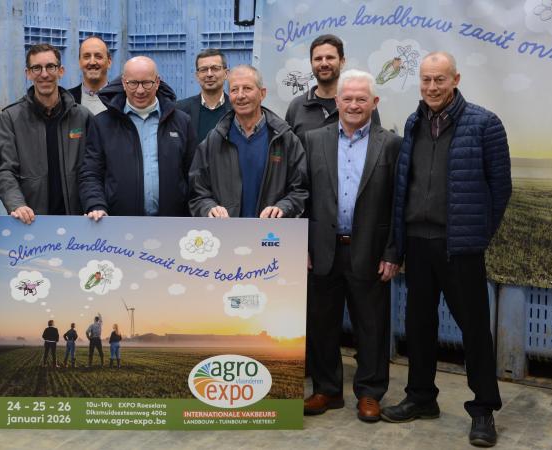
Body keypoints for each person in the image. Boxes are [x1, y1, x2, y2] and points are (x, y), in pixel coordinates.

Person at [381, 52, 511, 448]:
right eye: (426, 80)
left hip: (460, 248)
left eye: (440, 79)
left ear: (455, 79)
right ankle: (421, 398)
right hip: (418, 243)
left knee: (473, 329)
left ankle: (484, 409)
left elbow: (500, 188)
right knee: (419, 326)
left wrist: (477, 235)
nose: (432, 87)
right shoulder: (414, 121)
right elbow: (406, 184)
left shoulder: (484, 123)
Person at [302, 70, 401, 421]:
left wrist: (393, 252)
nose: (354, 105)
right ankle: (327, 391)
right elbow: (303, 196)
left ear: (374, 103)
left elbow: (396, 203)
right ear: (337, 102)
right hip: (321, 250)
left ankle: (370, 393)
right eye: (348, 98)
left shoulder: (390, 144)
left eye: (362, 99)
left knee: (371, 326)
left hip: (370, 251)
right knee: (321, 324)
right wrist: (303, 245)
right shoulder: (313, 140)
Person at [79, 56, 196, 220]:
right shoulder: (102, 124)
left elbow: (194, 175)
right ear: (124, 83)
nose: (140, 90)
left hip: (172, 225)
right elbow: (91, 173)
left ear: (157, 82)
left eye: (146, 83)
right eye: (133, 83)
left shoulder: (182, 122)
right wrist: (95, 204)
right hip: (119, 224)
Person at [188, 65, 308, 219]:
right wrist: (208, 208)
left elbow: (300, 190)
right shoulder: (214, 140)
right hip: (226, 234)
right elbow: (197, 193)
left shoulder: (285, 139)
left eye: (247, 88)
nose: (240, 95)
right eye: (234, 90)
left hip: (271, 236)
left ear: (262, 93)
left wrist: (284, 208)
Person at [0, 43, 92, 224]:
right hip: (31, 222)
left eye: (50, 67)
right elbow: (5, 171)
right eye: (37, 68)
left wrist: (93, 206)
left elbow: (94, 169)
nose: (44, 74)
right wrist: (17, 205)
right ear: (28, 73)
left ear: (61, 71)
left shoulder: (82, 116)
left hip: (77, 221)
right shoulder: (11, 118)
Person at [285, 34, 380, 137]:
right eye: (318, 59)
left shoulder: (362, 106)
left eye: (330, 58)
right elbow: (287, 149)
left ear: (342, 62)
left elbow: (376, 145)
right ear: (311, 63)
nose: (324, 63)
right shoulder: (296, 107)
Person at [176, 48, 232, 142]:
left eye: (215, 68)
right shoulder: (180, 110)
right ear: (197, 76)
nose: (209, 74)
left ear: (226, 73)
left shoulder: (237, 109)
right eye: (204, 70)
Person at [68, 36, 112, 115]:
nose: (92, 62)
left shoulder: (122, 99)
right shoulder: (66, 99)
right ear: (80, 62)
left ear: (109, 62)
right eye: (86, 56)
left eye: (98, 56)